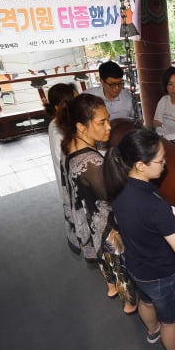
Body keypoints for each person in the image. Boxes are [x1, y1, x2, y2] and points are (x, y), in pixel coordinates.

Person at [103, 128, 175, 350]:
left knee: (146, 302)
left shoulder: (118, 187)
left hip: (136, 265)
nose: (165, 164)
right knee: (171, 321)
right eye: (160, 160)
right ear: (140, 165)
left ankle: (152, 331)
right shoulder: (155, 206)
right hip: (160, 273)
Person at [57, 93, 137, 314]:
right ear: (81, 127)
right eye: (101, 122)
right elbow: (114, 195)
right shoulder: (90, 162)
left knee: (105, 257)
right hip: (106, 223)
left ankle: (111, 285)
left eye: (108, 119)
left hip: (89, 215)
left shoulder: (68, 146)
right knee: (119, 262)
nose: (108, 126)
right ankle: (130, 304)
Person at [45, 82, 78, 200]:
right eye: (72, 102)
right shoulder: (57, 128)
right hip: (73, 181)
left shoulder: (65, 121)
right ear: (57, 107)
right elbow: (67, 159)